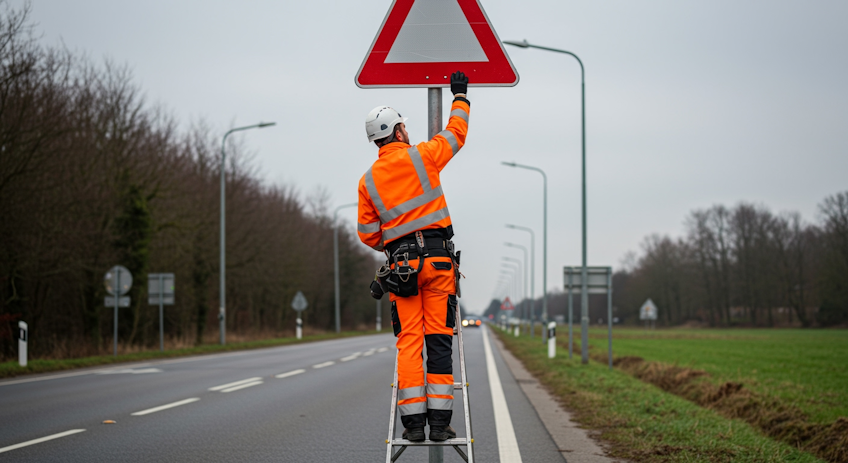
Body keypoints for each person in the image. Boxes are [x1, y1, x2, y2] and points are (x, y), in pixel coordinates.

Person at [357, 71, 470, 442]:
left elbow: (368, 233)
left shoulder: (368, 181)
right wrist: (459, 95)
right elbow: (456, 135)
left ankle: (414, 427)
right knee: (438, 340)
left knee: (409, 343)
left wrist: (395, 242)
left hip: (401, 269)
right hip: (438, 264)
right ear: (400, 131)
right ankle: (440, 425)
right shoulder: (423, 156)